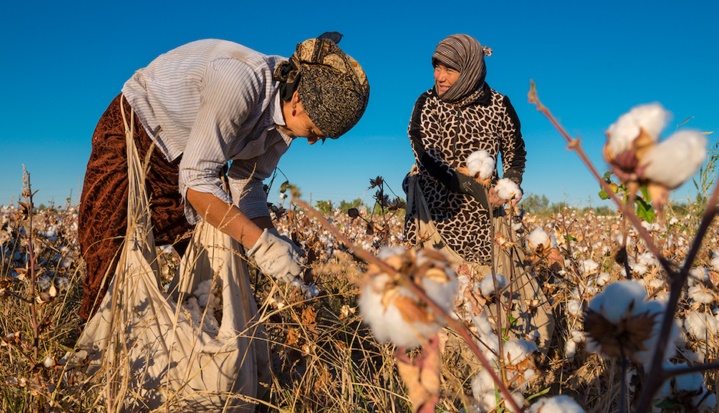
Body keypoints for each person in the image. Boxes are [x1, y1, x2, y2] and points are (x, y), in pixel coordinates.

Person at [78, 33, 370, 320]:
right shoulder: (240, 81)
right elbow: (196, 180)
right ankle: (93, 352)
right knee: (108, 251)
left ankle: (189, 347)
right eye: (316, 131)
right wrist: (259, 244)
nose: (312, 141)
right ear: (297, 101)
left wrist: (274, 242)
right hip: (136, 132)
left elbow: (248, 181)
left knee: (212, 268)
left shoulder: (284, 129)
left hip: (193, 157)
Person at [402, 33, 525, 266]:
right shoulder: (428, 103)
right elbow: (426, 155)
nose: (440, 77)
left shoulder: (498, 105)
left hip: (485, 219)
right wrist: (469, 185)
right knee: (432, 294)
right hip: (434, 217)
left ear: (470, 71)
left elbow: (514, 152)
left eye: (450, 70)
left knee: (489, 292)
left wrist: (508, 185)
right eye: (437, 68)